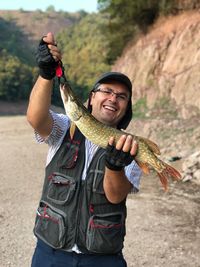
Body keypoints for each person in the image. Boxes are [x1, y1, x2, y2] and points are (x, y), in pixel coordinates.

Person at [27, 32, 142, 267]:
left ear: (126, 107)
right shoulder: (63, 127)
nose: (113, 98)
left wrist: (114, 166)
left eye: (122, 96)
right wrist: (46, 74)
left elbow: (116, 195)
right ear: (91, 98)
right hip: (51, 253)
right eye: (106, 91)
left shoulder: (129, 146)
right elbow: (36, 119)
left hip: (102, 258)